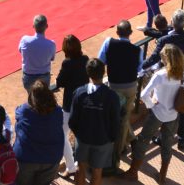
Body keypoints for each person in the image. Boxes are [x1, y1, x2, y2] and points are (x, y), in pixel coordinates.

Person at [125, 45, 184, 184]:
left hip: (157, 115)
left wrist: (152, 104)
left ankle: (133, 172)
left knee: (143, 141)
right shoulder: (183, 73)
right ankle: (162, 176)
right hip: (173, 116)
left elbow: (143, 94)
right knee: (167, 145)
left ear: (167, 59)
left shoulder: (160, 75)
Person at [69, 58, 121, 185]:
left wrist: (79, 135)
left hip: (83, 139)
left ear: (88, 73)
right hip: (103, 141)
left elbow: (72, 120)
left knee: (80, 169)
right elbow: (115, 122)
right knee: (98, 172)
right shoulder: (112, 96)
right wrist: (111, 138)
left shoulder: (79, 92)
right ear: (103, 73)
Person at [97, 20, 141, 167]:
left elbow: (100, 61)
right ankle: (128, 140)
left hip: (114, 87)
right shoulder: (137, 50)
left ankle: (118, 151)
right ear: (130, 33)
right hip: (131, 87)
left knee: (114, 117)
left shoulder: (109, 43)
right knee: (124, 116)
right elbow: (140, 68)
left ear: (117, 33)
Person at [14, 80, 65, 185]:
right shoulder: (58, 111)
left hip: (26, 159)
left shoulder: (24, 110)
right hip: (52, 158)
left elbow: (17, 113)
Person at [55, 34, 88, 176]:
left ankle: (71, 166)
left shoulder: (67, 63)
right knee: (80, 134)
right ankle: (78, 163)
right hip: (84, 103)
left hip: (70, 105)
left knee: (62, 135)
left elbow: (59, 82)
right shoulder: (85, 59)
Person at [19, 14, 56, 92]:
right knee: (43, 98)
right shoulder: (51, 44)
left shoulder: (25, 40)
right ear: (47, 26)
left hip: (28, 78)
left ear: (33, 26)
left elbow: (20, 50)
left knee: (31, 98)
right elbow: (52, 58)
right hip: (44, 78)